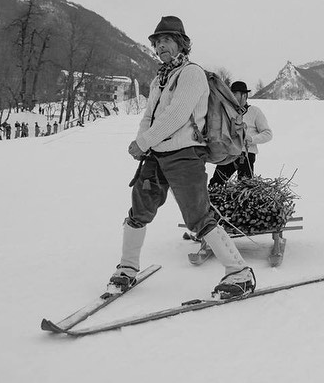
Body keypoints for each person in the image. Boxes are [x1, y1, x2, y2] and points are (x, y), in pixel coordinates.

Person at [109, 16, 255, 298]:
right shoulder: (159, 79)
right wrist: (143, 142)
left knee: (198, 217)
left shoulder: (191, 74)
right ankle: (127, 268)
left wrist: (144, 141)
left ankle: (240, 272)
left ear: (181, 44)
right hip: (155, 155)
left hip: (185, 155)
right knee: (139, 211)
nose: (160, 46)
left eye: (167, 40)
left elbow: (177, 115)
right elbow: (150, 116)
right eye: (157, 42)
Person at [209, 81, 273, 186]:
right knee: (215, 184)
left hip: (246, 154)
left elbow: (268, 134)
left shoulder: (255, 111)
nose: (232, 96)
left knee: (245, 187)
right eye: (231, 93)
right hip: (228, 153)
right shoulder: (227, 111)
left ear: (244, 95)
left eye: (235, 94)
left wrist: (251, 139)